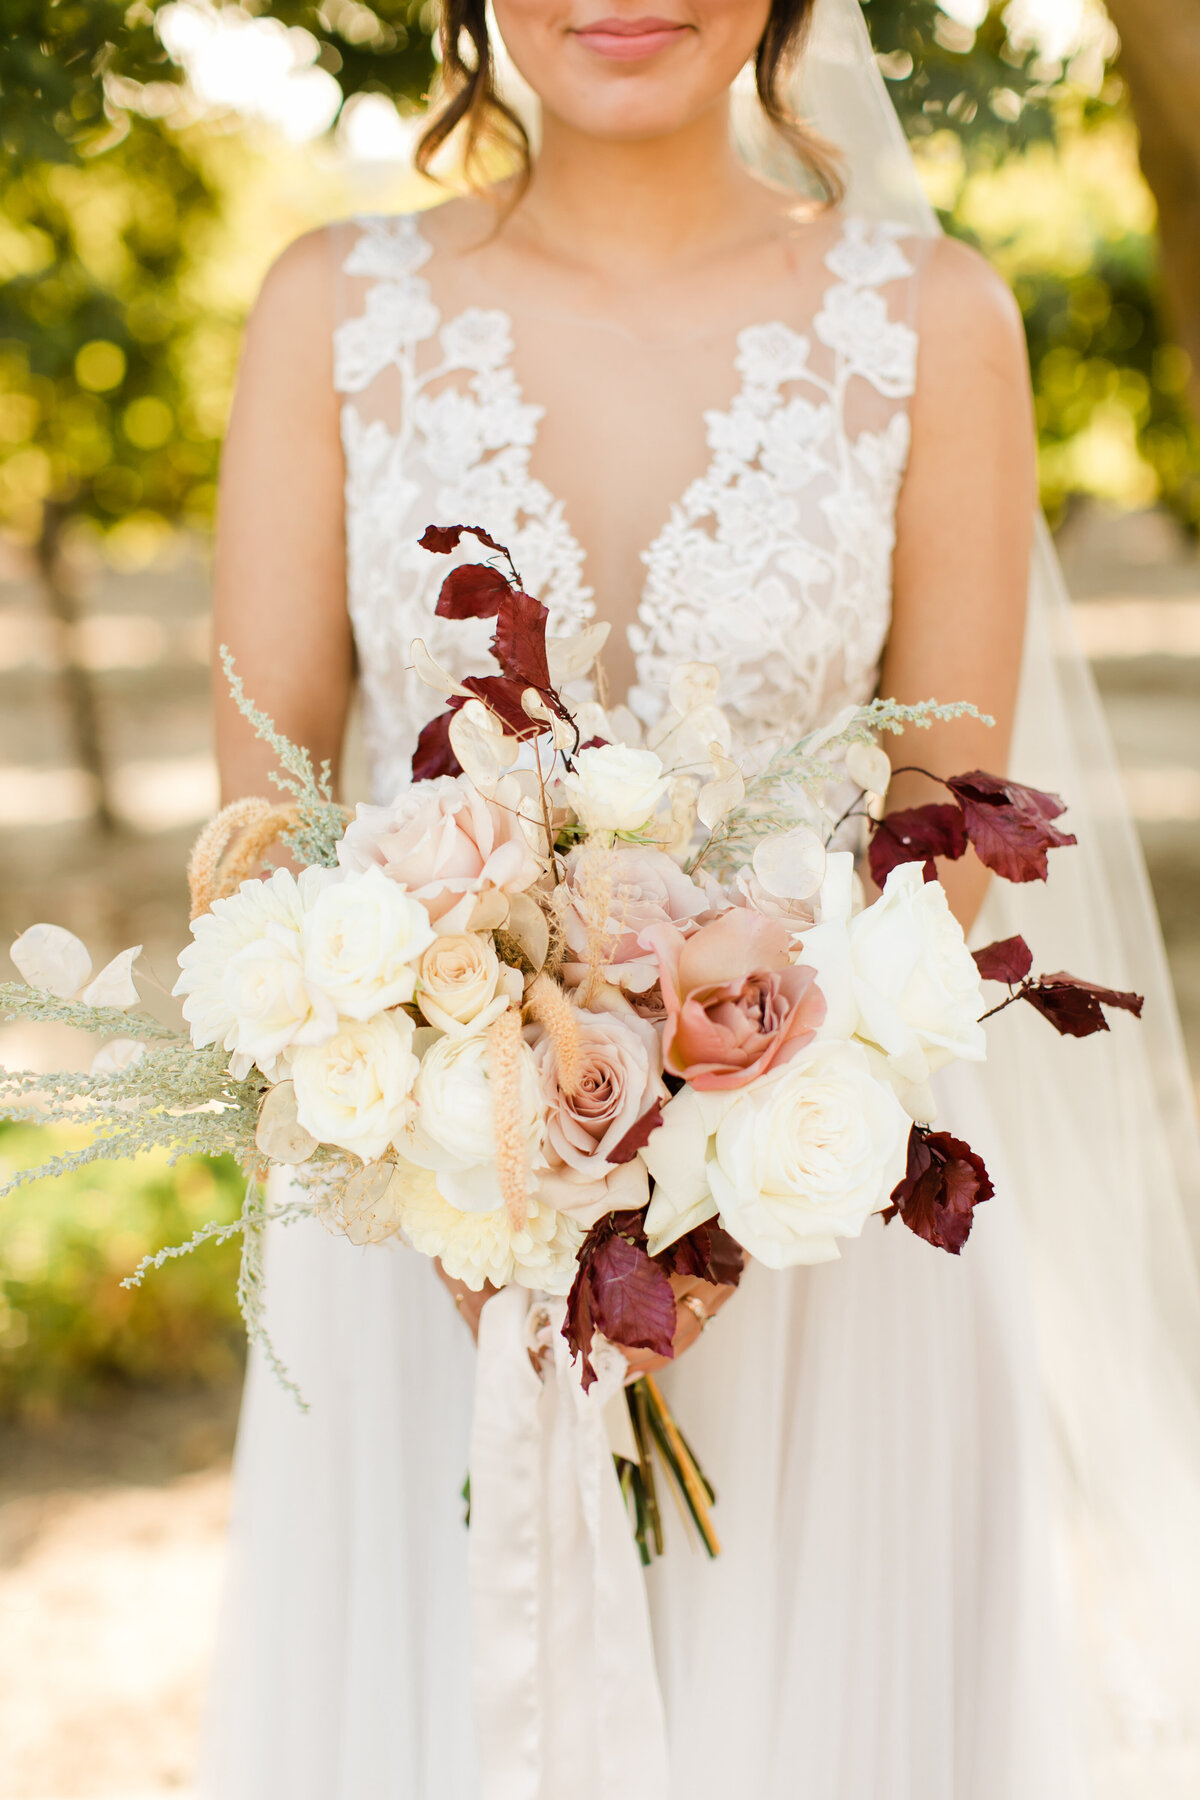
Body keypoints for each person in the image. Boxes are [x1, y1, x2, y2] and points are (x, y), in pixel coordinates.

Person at [201, 4, 1200, 1796]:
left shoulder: (933, 320)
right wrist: (454, 1153)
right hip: (423, 1241)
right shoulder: (330, 315)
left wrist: (719, 1188)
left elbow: (946, 827)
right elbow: (265, 827)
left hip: (827, 1233)